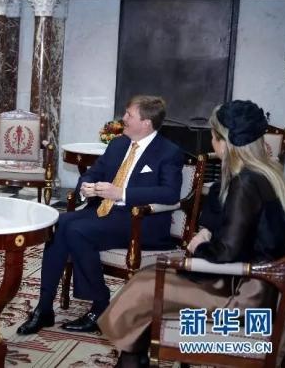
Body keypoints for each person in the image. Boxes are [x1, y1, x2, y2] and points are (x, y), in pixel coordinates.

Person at [98, 100, 285, 368]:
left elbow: (225, 253)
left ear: (225, 142)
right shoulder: (263, 174)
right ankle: (134, 359)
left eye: (213, 136)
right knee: (148, 279)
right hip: (252, 282)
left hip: (242, 296)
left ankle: (132, 360)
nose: (211, 142)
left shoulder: (246, 183)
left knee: (144, 287)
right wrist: (208, 232)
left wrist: (196, 246)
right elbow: (237, 228)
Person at [17, 95, 184, 335]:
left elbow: (170, 193)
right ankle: (44, 308)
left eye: (129, 115)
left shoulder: (168, 152)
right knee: (58, 224)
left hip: (141, 221)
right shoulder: (118, 144)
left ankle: (100, 305)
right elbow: (93, 173)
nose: (123, 118)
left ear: (146, 123)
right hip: (106, 213)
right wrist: (85, 187)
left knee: (77, 230)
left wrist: (121, 193)